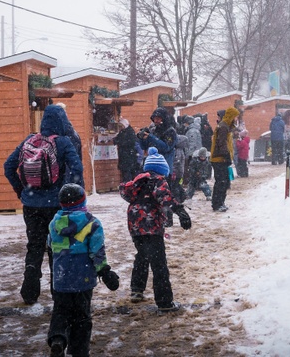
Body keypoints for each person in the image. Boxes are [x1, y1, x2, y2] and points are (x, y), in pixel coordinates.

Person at [4, 104, 84, 305]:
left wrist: (21, 190)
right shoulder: (64, 143)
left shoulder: (29, 141)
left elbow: (8, 166)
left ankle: (29, 291)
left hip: (31, 205)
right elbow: (77, 168)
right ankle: (58, 291)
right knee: (58, 247)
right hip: (56, 206)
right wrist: (67, 193)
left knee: (35, 246)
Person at [46, 184, 119, 357]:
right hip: (82, 277)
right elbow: (97, 251)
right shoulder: (91, 223)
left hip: (61, 276)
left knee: (60, 310)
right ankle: (79, 351)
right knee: (81, 316)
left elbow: (50, 246)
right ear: (83, 201)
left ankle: (58, 338)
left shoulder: (54, 222)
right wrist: (105, 272)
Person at [119, 147, 191, 312]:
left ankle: (137, 290)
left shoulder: (138, 180)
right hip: (151, 225)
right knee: (159, 264)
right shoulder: (158, 179)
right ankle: (165, 302)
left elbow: (127, 194)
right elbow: (164, 197)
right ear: (162, 170)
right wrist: (181, 212)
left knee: (142, 256)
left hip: (135, 224)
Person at [210, 107, 240, 212]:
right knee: (221, 182)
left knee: (223, 182)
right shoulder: (223, 127)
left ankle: (219, 203)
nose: (237, 119)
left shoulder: (225, 126)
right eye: (236, 116)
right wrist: (227, 156)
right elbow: (222, 143)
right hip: (219, 159)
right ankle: (217, 204)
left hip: (221, 158)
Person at [113, 118, 139, 183]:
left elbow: (130, 142)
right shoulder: (123, 132)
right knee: (125, 172)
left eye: (121, 126)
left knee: (127, 173)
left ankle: (128, 185)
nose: (120, 127)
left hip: (128, 156)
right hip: (125, 155)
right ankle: (127, 185)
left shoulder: (130, 132)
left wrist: (119, 142)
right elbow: (117, 139)